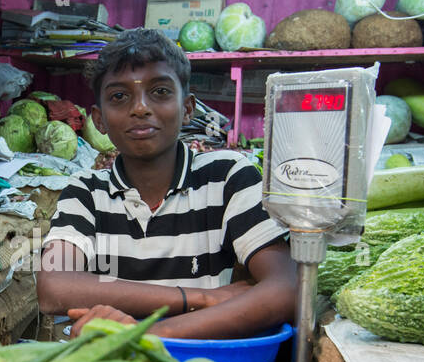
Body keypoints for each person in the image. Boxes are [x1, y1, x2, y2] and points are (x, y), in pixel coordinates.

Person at [37, 28, 296, 338]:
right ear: (99, 119)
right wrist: (198, 298)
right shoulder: (85, 191)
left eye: (159, 91)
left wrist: (145, 335)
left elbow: (288, 287)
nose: (140, 108)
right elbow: (54, 287)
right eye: (119, 97)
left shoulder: (227, 177)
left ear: (187, 109)